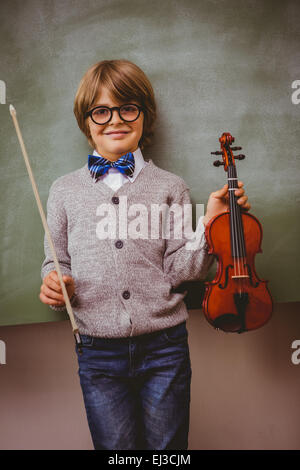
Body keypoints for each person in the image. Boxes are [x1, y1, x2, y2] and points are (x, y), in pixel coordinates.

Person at [39, 59, 250, 450]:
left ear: (144, 116)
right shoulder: (63, 191)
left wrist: (210, 225)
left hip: (164, 348)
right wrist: (54, 282)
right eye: (101, 110)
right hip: (97, 352)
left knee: (168, 451)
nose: (115, 119)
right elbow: (56, 260)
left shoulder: (171, 187)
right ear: (86, 121)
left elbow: (181, 269)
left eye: (128, 108)